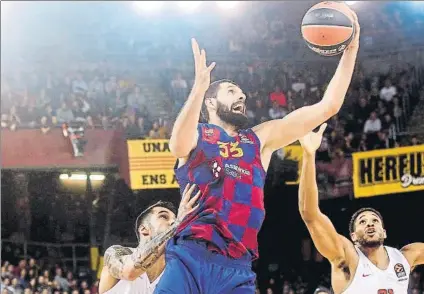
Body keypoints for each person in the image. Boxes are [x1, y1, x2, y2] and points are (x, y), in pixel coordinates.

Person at [154, 6, 361, 294]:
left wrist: (351, 49)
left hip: (237, 266)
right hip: (190, 256)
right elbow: (176, 144)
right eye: (231, 92)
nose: (242, 95)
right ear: (210, 103)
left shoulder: (258, 139)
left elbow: (328, 107)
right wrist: (199, 88)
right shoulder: (198, 133)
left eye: (242, 93)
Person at [298, 124, 424, 294]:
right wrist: (308, 154)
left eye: (374, 220)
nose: (370, 224)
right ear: (353, 236)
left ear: (384, 232)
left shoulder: (406, 257)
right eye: (362, 222)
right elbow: (310, 214)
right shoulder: (347, 258)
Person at [99, 184, 200, 294]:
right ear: (144, 229)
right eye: (164, 216)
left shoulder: (177, 271)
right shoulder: (116, 253)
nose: (172, 222)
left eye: (175, 219)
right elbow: (129, 272)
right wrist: (177, 224)